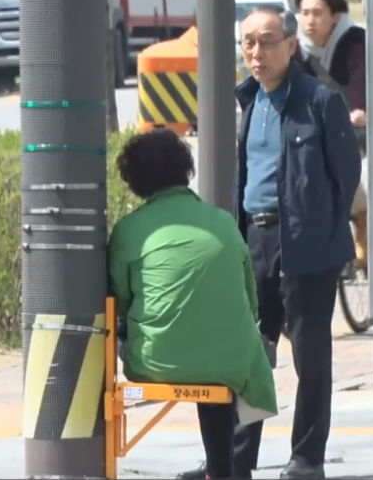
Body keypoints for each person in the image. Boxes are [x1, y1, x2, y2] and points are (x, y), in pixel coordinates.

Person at [179, 6, 361, 480]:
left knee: (310, 358)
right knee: (247, 355)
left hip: (307, 247)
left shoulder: (320, 101)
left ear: (290, 45)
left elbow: (347, 175)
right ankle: (235, 460)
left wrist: (320, 226)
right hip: (253, 242)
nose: (255, 53)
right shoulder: (250, 101)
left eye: (265, 41)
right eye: (247, 43)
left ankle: (306, 458)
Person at [108, 128, 278, 480]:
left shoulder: (128, 230)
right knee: (221, 357)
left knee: (136, 330)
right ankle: (222, 468)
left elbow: (121, 302)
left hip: (157, 362)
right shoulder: (224, 223)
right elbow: (251, 304)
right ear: (185, 171)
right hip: (228, 363)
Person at [296, 0, 368, 273]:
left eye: (317, 13)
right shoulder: (296, 46)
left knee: (345, 168)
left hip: (354, 122)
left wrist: (359, 109)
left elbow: (358, 78)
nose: (310, 21)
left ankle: (362, 217)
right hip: (316, 124)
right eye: (304, 13)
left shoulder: (353, 40)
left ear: (335, 16)